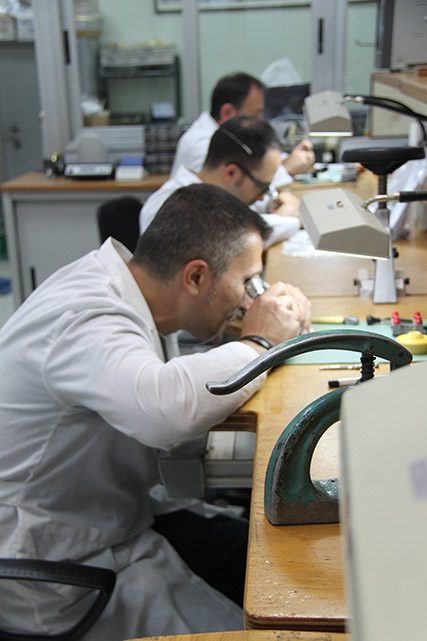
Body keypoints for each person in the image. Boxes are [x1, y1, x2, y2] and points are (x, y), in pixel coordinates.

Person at [0, 184, 311, 641]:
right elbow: (167, 412)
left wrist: (253, 341)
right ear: (196, 277)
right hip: (59, 561)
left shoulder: (129, 290)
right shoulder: (86, 317)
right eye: (246, 282)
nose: (249, 300)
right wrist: (260, 341)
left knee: (272, 561)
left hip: (117, 514)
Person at [141, 115, 302, 247]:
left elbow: (237, 213)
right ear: (231, 173)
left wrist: (270, 206)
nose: (261, 197)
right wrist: (286, 219)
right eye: (262, 187)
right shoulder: (169, 207)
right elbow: (230, 241)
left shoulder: (217, 194)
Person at [169, 72, 315, 188]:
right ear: (227, 112)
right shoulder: (199, 144)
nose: (260, 120)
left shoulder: (232, 135)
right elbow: (236, 190)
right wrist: (287, 169)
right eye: (255, 115)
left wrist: (289, 161)